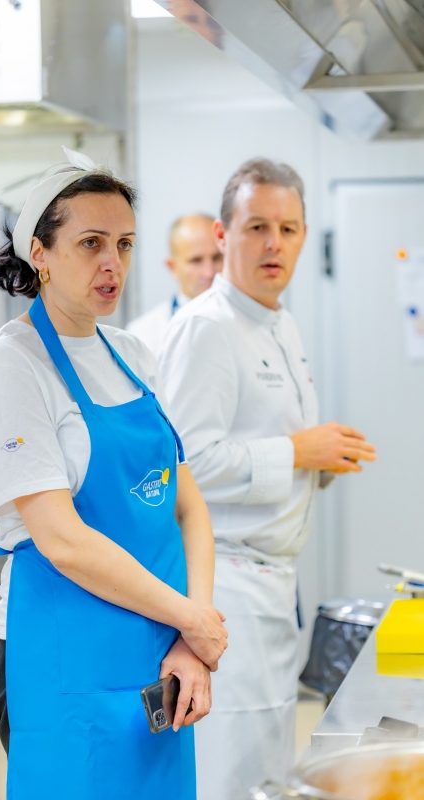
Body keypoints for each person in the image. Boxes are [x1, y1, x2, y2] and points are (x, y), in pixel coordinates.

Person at [0, 149, 228, 800]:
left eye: (124, 244)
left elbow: (187, 507)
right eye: (90, 243)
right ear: (40, 253)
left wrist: (191, 637)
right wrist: (191, 618)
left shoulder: (133, 354)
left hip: (160, 650)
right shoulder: (10, 367)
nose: (113, 263)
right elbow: (63, 540)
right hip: (68, 658)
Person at [158, 158, 376, 798]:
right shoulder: (207, 328)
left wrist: (319, 462)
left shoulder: (278, 322)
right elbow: (186, 468)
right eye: (257, 226)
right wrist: (298, 451)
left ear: (304, 236)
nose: (274, 243)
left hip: (273, 586)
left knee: (269, 771)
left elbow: (261, 444)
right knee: (234, 775)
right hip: (228, 586)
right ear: (223, 234)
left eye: (288, 228)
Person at [127, 213, 222, 354]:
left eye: (217, 257)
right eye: (196, 261)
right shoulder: (142, 335)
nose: (209, 273)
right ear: (172, 267)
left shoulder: (249, 319)